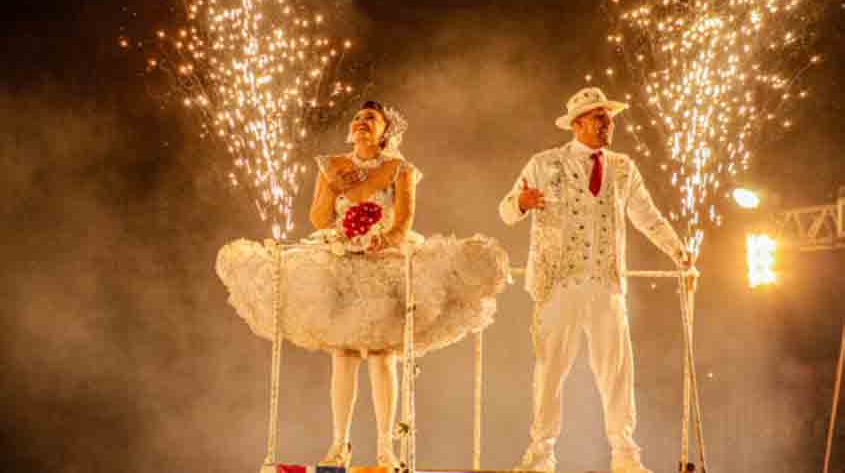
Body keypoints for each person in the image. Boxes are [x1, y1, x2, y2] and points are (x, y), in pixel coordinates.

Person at [216, 101, 510, 469]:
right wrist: (337, 205)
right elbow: (319, 218)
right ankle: (340, 443)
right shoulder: (333, 166)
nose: (361, 123)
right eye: (357, 118)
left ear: (385, 130)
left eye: (370, 119)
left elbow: (402, 222)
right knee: (344, 353)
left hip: (383, 263)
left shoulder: (400, 170)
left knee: (384, 353)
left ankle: (386, 448)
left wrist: (379, 238)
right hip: (342, 260)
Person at [499, 88, 692, 473]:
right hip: (558, 283)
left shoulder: (623, 167)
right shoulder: (544, 163)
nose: (608, 125)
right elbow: (506, 211)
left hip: (604, 282)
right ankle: (541, 452)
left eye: (610, 118)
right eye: (600, 118)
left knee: (617, 370)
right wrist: (523, 202)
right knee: (550, 369)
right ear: (578, 124)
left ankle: (625, 454)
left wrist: (677, 249)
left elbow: (646, 215)